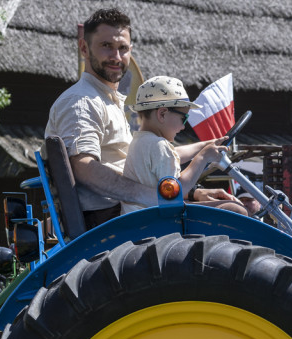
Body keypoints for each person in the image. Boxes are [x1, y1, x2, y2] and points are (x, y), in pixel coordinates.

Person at [44, 8, 236, 228]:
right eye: (106, 46)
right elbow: (84, 168)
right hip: (112, 220)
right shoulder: (81, 102)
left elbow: (146, 162)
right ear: (84, 48)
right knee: (235, 213)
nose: (116, 57)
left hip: (128, 211)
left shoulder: (107, 100)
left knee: (236, 207)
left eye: (122, 48)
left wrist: (194, 192)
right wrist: (157, 197)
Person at [122, 76, 245, 215]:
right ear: (162, 114)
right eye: (183, 118)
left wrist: (205, 145)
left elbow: (175, 154)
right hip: (157, 220)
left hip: (142, 215)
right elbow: (177, 192)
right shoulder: (159, 146)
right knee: (236, 209)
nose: (183, 127)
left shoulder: (141, 141)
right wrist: (203, 157)